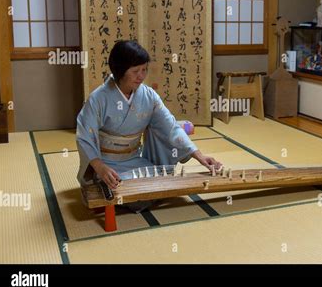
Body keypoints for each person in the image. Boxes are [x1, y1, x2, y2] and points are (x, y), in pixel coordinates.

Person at [76, 40, 222, 209]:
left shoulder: (148, 96)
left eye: (144, 70)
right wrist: (100, 167)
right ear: (120, 70)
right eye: (136, 71)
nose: (141, 76)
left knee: (161, 182)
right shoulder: (98, 98)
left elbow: (170, 126)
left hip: (134, 159)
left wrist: (199, 156)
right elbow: (85, 134)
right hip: (106, 163)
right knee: (125, 188)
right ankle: (106, 184)